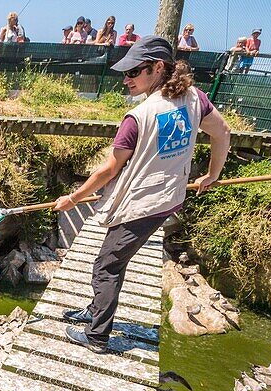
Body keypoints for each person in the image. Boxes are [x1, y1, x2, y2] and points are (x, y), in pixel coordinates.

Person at [51, 36, 230, 353]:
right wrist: (213, 174)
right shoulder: (194, 99)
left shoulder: (138, 117)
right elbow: (222, 132)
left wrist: (72, 199)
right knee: (113, 260)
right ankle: (95, 311)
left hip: (143, 204)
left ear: (158, 68)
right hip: (169, 197)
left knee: (106, 265)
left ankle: (97, 336)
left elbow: (108, 171)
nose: (127, 79)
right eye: (126, 72)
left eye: (135, 71)